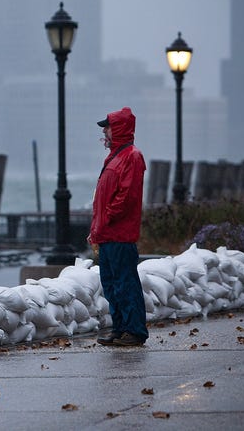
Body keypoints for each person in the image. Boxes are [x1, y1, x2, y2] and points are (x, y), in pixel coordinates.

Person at [87, 106, 149, 346]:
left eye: (108, 127)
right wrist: (96, 229)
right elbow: (103, 198)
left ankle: (135, 331)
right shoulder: (115, 157)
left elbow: (126, 196)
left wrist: (107, 218)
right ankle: (120, 328)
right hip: (106, 233)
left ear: (120, 128)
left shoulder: (132, 156)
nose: (105, 132)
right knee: (111, 285)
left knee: (125, 283)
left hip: (120, 234)